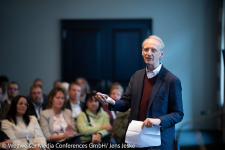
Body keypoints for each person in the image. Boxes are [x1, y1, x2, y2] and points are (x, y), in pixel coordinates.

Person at [96, 35, 184, 150]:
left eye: (153, 50)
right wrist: (110, 101)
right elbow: (126, 102)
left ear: (161, 54)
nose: (149, 53)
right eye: (146, 49)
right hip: (136, 138)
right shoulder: (137, 76)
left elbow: (178, 114)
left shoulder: (172, 80)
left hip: (159, 141)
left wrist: (158, 121)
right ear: (142, 52)